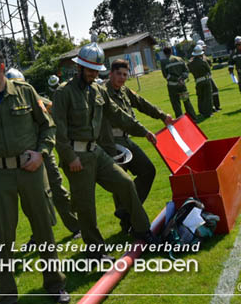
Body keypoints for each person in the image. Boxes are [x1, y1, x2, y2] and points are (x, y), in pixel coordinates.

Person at [0, 49, 69, 304]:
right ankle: (6, 297)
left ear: (0, 68)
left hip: (31, 171)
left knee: (43, 228)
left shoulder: (26, 91)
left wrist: (41, 154)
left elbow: (48, 126)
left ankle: (55, 285)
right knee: (2, 237)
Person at [52, 43, 160, 262]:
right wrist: (70, 157)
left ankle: (141, 230)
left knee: (126, 183)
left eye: (95, 70)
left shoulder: (98, 90)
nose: (93, 74)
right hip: (76, 156)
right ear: (79, 68)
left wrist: (144, 131)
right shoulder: (64, 93)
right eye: (89, 70)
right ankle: (95, 251)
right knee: (86, 208)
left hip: (97, 152)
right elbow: (57, 132)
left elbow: (118, 114)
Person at [5, 69, 80, 243]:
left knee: (57, 190)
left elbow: (56, 115)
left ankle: (76, 226)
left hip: (43, 153)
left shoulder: (36, 98)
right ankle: (37, 235)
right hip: (23, 159)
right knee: (30, 200)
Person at [99, 59, 173, 233]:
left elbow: (141, 103)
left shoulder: (124, 90)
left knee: (148, 170)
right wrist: (143, 131)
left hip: (126, 138)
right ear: (111, 74)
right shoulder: (102, 92)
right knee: (121, 183)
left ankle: (125, 211)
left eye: (125, 75)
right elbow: (119, 117)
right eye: (119, 74)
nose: (122, 78)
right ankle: (126, 224)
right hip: (111, 142)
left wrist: (162, 115)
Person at [161, 46, 198, 121]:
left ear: (164, 53)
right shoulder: (179, 59)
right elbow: (186, 71)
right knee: (186, 102)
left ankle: (181, 121)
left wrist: (176, 79)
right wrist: (182, 79)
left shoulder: (163, 62)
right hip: (182, 85)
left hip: (172, 87)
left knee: (176, 104)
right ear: (171, 51)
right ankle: (193, 118)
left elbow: (166, 75)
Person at [188, 45, 214, 119]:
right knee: (208, 96)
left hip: (198, 81)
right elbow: (209, 70)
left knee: (200, 97)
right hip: (206, 80)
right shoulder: (203, 61)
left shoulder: (190, 63)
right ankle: (208, 112)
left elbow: (189, 69)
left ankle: (201, 111)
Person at [196, 40, 221, 111]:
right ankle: (212, 107)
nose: (205, 48)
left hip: (209, 77)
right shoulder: (198, 57)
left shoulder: (204, 56)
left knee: (215, 90)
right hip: (204, 78)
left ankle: (216, 106)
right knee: (208, 93)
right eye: (203, 47)